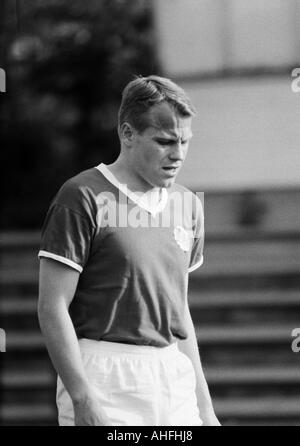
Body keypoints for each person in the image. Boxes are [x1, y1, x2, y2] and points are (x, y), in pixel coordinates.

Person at [38, 75, 220, 426]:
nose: (178, 154)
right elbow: (51, 306)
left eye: (185, 141)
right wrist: (82, 397)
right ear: (128, 134)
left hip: (172, 377)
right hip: (104, 377)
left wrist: (205, 409)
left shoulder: (188, 204)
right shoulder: (81, 196)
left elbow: (180, 313)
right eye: (165, 141)